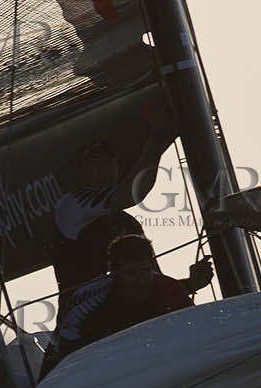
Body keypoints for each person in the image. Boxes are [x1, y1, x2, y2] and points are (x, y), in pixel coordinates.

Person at [49, 106, 213, 315]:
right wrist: (158, 135)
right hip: (86, 319)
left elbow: (151, 284)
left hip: (126, 318)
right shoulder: (72, 204)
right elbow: (133, 193)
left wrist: (190, 284)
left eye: (109, 162)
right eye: (94, 162)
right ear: (80, 172)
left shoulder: (128, 224)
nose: (103, 168)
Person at [40, 235, 194, 378]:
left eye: (145, 271)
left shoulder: (169, 289)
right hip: (94, 374)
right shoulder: (86, 304)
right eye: (131, 273)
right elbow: (61, 361)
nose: (140, 281)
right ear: (113, 273)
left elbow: (194, 329)